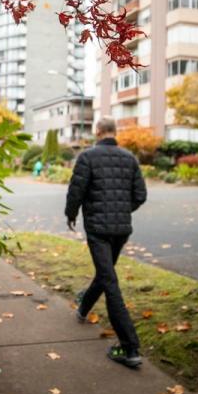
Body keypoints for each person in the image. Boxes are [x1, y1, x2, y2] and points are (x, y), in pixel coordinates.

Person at [64, 116, 147, 368]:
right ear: (114, 132)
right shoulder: (129, 158)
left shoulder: (87, 157)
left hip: (98, 230)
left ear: (98, 131)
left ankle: (129, 348)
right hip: (121, 229)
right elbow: (140, 195)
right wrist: (122, 210)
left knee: (109, 281)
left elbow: (76, 191)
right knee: (105, 273)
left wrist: (71, 214)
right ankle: (83, 309)